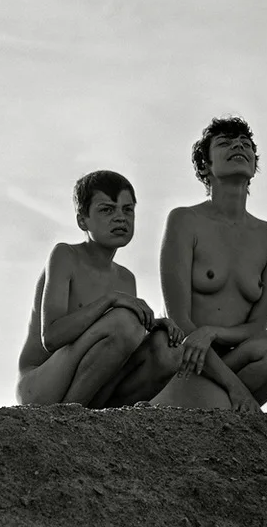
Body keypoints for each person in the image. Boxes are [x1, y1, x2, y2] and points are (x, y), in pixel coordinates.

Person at [151, 116, 267, 411]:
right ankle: (223, 403)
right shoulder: (185, 220)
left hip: (234, 358)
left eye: (246, 144)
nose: (238, 146)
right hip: (188, 359)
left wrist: (212, 332)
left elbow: (257, 326)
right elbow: (180, 321)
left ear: (255, 165)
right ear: (204, 166)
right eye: (225, 143)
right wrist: (236, 388)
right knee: (220, 404)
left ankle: (225, 405)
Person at [17, 171, 185, 407]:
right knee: (125, 320)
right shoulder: (65, 256)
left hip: (88, 383)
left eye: (127, 210)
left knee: (167, 348)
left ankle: (103, 417)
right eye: (107, 210)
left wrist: (154, 325)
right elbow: (52, 338)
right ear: (82, 220)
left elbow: (119, 345)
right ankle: (67, 415)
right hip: (41, 383)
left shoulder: (126, 278)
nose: (120, 218)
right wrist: (110, 300)